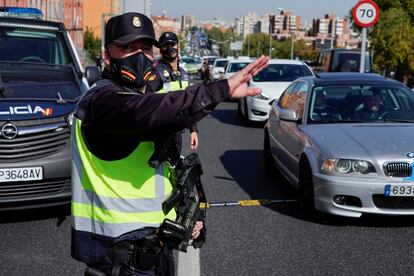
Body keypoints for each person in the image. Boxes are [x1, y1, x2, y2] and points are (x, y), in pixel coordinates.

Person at [70, 12, 269, 276]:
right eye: (127, 47)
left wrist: (188, 217)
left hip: (155, 252)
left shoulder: (145, 96)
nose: (138, 55)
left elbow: (164, 171)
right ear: (107, 56)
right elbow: (146, 112)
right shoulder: (100, 103)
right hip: (117, 259)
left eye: (144, 48)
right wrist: (218, 90)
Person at [151, 32, 198, 152]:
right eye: (165, 45)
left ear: (178, 46)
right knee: (160, 168)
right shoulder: (156, 73)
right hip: (160, 132)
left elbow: (188, 104)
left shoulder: (183, 74)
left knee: (174, 166)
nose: (170, 48)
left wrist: (193, 130)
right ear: (161, 50)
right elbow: (145, 102)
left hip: (177, 133)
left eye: (172, 44)